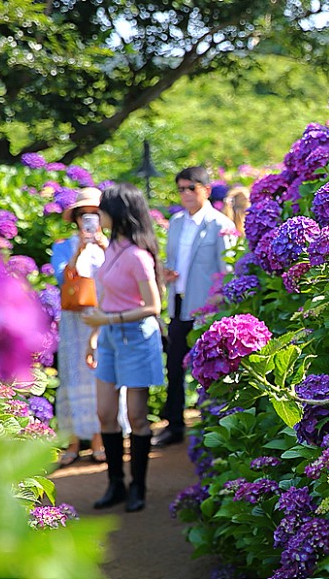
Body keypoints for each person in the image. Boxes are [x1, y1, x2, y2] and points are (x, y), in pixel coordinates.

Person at [82, 183, 165, 512]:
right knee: (105, 414)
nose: (97, 213)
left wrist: (108, 321)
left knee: (137, 417)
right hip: (110, 338)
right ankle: (115, 483)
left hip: (136, 338)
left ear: (117, 214)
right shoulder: (112, 248)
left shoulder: (137, 256)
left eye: (102, 208)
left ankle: (138, 487)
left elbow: (153, 306)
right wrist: (94, 336)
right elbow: (103, 298)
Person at [156, 166, 235, 447]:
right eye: (181, 189)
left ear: (207, 189)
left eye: (192, 188)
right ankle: (174, 425)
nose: (186, 193)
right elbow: (173, 261)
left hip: (207, 309)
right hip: (178, 304)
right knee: (174, 367)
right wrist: (167, 273)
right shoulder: (176, 222)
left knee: (211, 369)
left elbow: (227, 270)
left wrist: (217, 305)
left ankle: (212, 426)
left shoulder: (219, 224)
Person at [51, 187, 107, 467]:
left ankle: (99, 438)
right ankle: (74, 440)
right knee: (74, 375)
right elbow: (63, 280)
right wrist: (80, 249)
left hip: (103, 317)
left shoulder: (111, 245)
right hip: (74, 320)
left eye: (94, 213)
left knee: (99, 376)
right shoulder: (64, 246)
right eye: (83, 214)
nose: (88, 219)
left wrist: (102, 244)